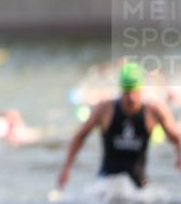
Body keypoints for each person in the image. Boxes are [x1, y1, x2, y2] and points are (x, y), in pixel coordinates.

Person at [58, 62, 180, 190]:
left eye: (134, 91)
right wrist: (67, 167)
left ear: (141, 89)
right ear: (121, 90)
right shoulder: (105, 109)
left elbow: (177, 137)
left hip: (139, 187)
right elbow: (79, 136)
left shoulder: (154, 111)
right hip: (106, 184)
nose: (130, 97)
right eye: (126, 92)